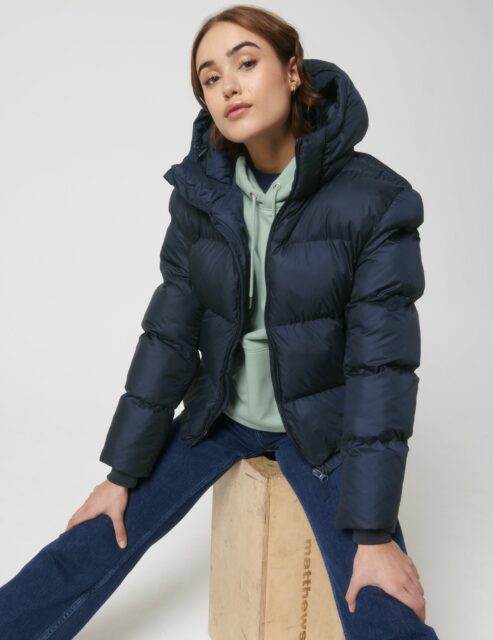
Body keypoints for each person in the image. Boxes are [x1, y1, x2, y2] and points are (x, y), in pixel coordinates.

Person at [0, 5, 440, 639]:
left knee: (381, 596)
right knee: (95, 531)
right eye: (210, 78)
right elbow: (170, 335)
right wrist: (121, 475)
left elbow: (381, 369)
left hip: (323, 431)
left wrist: (374, 535)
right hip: (221, 416)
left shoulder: (376, 201)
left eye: (246, 63)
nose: (228, 85)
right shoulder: (201, 196)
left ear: (292, 71)